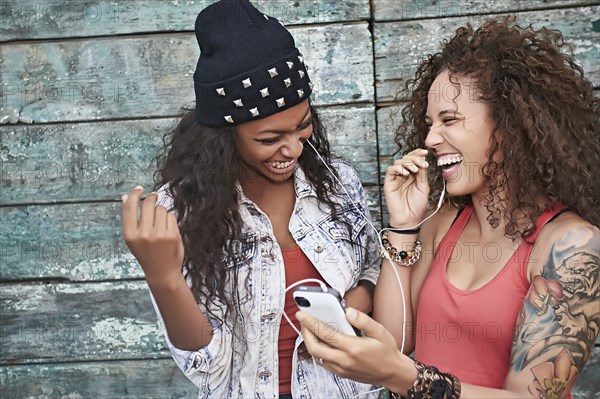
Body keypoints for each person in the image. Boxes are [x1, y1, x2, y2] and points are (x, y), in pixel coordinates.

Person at [297, 18, 600, 399]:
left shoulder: (571, 244)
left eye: (449, 120)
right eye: (428, 123)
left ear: (510, 124)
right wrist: (404, 224)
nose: (430, 138)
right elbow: (395, 339)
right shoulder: (443, 221)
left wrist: (409, 379)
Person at [120, 0, 380, 398]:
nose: (292, 149)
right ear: (223, 139)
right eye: (269, 139)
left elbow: (372, 270)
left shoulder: (337, 182)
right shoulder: (179, 213)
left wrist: (346, 312)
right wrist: (164, 279)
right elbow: (209, 369)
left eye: (303, 126)